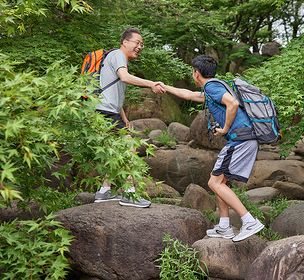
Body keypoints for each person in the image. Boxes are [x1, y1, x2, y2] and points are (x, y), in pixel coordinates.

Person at [163, 55, 264, 242]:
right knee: (218, 181)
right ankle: (224, 226)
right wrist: (166, 87)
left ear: (196, 73)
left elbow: (232, 104)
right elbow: (190, 95)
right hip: (242, 138)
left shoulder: (212, 87)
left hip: (241, 139)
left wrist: (225, 128)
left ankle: (249, 221)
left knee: (214, 183)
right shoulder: (211, 89)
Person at [94, 27, 165, 208]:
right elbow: (124, 78)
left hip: (106, 111)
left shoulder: (117, 58)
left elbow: (113, 92)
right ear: (125, 42)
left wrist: (122, 115)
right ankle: (129, 193)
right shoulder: (118, 54)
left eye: (142, 44)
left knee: (115, 151)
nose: (140, 47)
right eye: (137, 43)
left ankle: (104, 191)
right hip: (106, 112)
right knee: (128, 150)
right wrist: (151, 84)